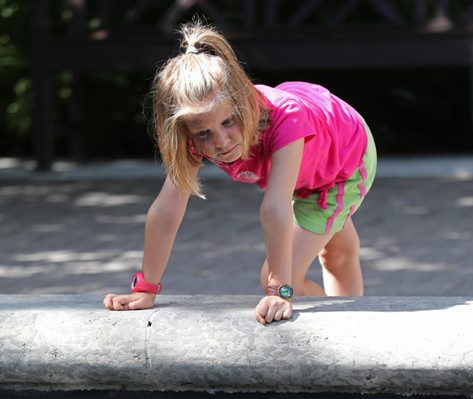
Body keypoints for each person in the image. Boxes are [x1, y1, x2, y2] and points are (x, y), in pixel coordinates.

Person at [103, 20, 377, 325]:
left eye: (228, 122)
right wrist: (147, 287)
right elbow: (167, 210)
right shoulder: (193, 136)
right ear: (185, 133)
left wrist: (279, 291)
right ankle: (354, 325)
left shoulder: (285, 119)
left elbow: (275, 207)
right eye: (204, 134)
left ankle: (349, 328)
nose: (221, 142)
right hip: (308, 165)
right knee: (336, 253)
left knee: (280, 275)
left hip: (344, 160)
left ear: (245, 104)